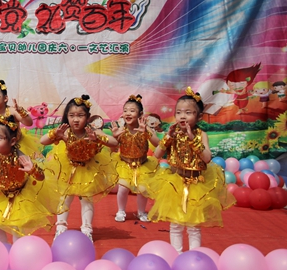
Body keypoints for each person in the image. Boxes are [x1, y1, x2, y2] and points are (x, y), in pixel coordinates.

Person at [148, 87, 236, 253]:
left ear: (199, 116)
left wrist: (193, 139)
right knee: (176, 223)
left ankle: (194, 256)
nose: (182, 116)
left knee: (193, 225)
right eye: (179, 112)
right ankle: (176, 253)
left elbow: (207, 158)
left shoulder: (201, 135)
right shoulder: (172, 134)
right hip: (175, 183)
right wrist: (167, 138)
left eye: (188, 112)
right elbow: (157, 154)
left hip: (196, 184)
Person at [0, 115, 56, 243]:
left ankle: (18, 250)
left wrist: (32, 169)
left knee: (17, 226)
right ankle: (2, 247)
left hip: (19, 195)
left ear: (12, 141)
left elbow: (41, 177)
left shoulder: (20, 156)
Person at [41, 95, 119, 241]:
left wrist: (98, 138)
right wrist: (54, 134)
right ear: (67, 116)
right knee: (64, 198)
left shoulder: (92, 131)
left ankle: (87, 229)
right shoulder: (64, 131)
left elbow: (114, 143)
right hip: (67, 170)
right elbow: (42, 141)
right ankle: (60, 228)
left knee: (86, 200)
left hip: (87, 171)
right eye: (71, 115)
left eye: (80, 115)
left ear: (88, 117)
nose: (75, 119)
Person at [110, 94, 159, 222]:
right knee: (123, 188)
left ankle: (141, 212)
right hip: (124, 165)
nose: (128, 113)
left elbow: (158, 144)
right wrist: (114, 137)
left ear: (140, 114)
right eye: (125, 110)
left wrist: (147, 133)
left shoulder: (145, 129)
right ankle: (121, 211)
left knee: (143, 190)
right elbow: (113, 148)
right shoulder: (121, 130)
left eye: (132, 111)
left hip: (142, 165)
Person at [0, 80, 39, 156]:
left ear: (5, 98)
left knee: (21, 160)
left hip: (15, 144)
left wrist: (21, 111)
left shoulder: (12, 111)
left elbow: (29, 123)